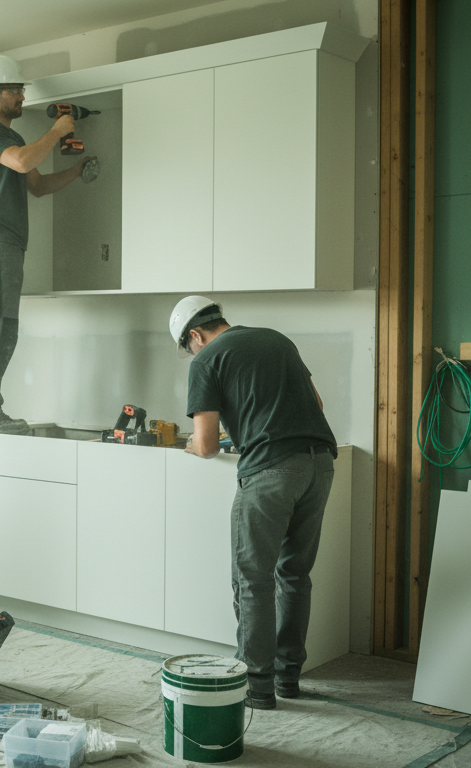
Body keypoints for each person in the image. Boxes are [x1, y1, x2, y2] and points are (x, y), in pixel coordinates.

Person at [171, 295, 338, 709]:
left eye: (188, 346)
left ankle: (257, 685)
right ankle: (288, 677)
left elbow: (206, 445)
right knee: (294, 575)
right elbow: (317, 404)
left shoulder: (206, 360)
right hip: (319, 464)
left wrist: (191, 445)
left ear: (195, 335)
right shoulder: (276, 339)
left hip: (270, 472)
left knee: (252, 579)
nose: (192, 352)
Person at [0, 54, 96, 434]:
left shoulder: (13, 139)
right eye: (14, 90)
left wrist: (76, 171)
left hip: (2, 242)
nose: (21, 96)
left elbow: (37, 185)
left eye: (21, 90)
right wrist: (56, 130)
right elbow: (20, 162)